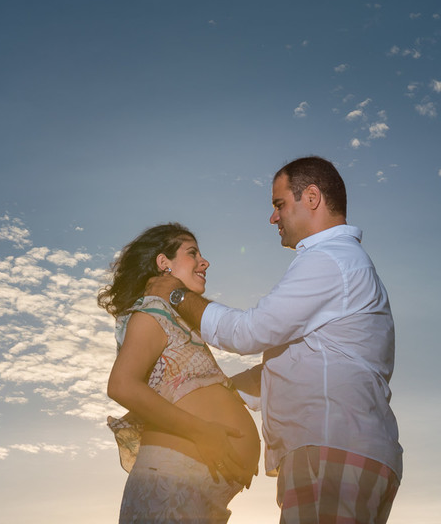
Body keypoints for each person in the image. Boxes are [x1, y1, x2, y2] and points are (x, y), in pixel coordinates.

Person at [147, 157, 402, 524]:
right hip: (348, 452)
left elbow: (250, 332)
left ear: (311, 197)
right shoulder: (344, 263)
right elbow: (289, 369)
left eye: (279, 204)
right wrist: (210, 399)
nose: (273, 217)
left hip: (330, 452)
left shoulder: (330, 260)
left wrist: (175, 296)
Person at [99, 223, 260, 523]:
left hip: (194, 491)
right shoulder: (151, 313)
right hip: (171, 486)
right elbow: (121, 384)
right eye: (192, 253)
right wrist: (203, 432)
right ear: (164, 263)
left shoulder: (178, 322)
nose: (205, 261)